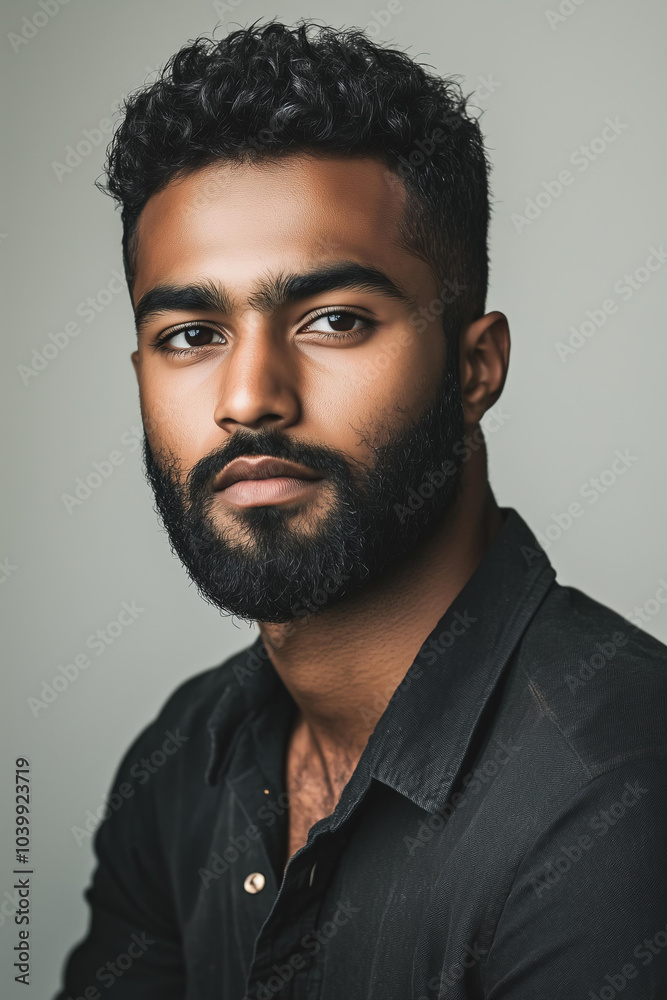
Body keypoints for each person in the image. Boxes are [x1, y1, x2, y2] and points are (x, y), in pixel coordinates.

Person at [55, 21, 667, 1000]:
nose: (248, 395)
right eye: (192, 332)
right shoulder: (181, 758)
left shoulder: (620, 791)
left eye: (332, 320)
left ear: (475, 368)